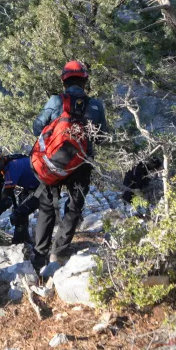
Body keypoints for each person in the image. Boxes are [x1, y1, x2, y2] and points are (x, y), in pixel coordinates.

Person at [31, 60, 108, 268]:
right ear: (85, 81)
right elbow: (102, 138)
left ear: (64, 81)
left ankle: (39, 258)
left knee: (46, 208)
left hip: (53, 162)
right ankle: (58, 252)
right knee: (74, 207)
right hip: (81, 164)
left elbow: (36, 128)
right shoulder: (95, 105)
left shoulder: (55, 101)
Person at [0, 145, 41, 245]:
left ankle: (19, 244)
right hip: (33, 187)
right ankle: (24, 240)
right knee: (20, 204)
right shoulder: (5, 162)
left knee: (18, 214)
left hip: (43, 188)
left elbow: (6, 200)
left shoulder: (13, 167)